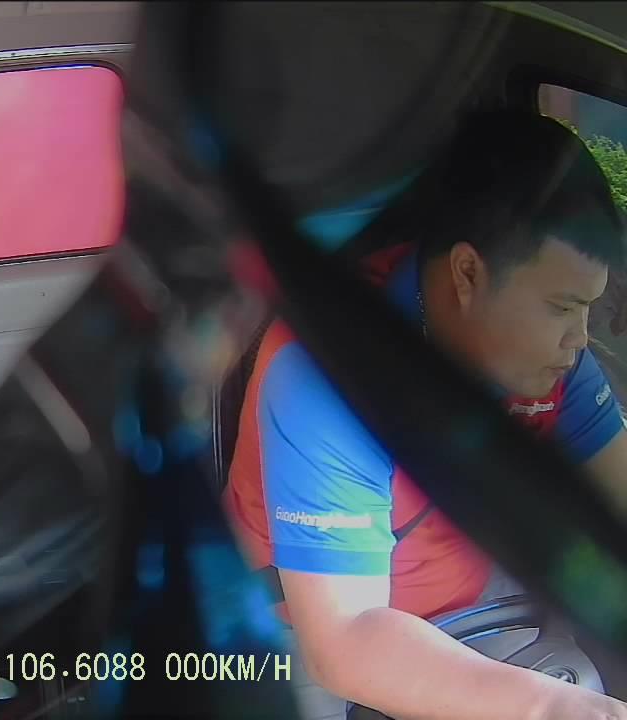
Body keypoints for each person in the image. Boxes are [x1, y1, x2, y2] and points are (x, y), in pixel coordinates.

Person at [222, 108, 627, 720]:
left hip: (479, 593)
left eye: (588, 309)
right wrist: (549, 707)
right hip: (305, 629)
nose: (580, 339)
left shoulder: (553, 360)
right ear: (467, 273)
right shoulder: (326, 370)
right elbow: (346, 636)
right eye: (562, 307)